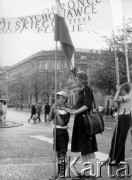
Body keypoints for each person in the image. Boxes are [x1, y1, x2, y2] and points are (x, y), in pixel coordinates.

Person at [66, 71, 98, 178]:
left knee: (87, 148)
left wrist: (74, 112)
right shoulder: (82, 91)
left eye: (76, 79)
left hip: (85, 122)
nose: (75, 81)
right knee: (85, 149)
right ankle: (86, 172)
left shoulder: (87, 90)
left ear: (82, 80)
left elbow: (87, 106)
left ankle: (91, 173)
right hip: (81, 122)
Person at [103, 83, 131, 165]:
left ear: (124, 90)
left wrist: (117, 91)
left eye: (121, 89)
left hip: (126, 118)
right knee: (114, 139)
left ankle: (118, 159)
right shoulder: (122, 97)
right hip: (120, 118)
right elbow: (114, 106)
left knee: (120, 140)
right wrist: (113, 97)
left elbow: (116, 100)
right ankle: (111, 157)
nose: (120, 91)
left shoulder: (128, 97)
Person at [48, 91, 70, 180]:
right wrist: (52, 110)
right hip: (55, 132)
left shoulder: (66, 110)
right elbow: (49, 119)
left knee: (62, 154)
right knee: (57, 153)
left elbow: (62, 123)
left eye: (59, 98)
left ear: (64, 99)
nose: (57, 99)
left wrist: (57, 113)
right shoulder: (55, 108)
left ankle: (62, 175)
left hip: (62, 133)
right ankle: (59, 172)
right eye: (57, 97)